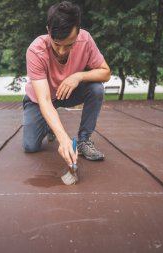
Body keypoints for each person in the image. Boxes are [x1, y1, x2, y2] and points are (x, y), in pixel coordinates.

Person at [22, 1, 111, 169]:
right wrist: (63, 139)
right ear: (48, 30)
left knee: (96, 88)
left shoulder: (85, 40)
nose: (62, 51)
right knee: (30, 146)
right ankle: (50, 125)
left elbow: (106, 72)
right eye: (57, 44)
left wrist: (78, 76)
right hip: (43, 98)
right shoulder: (35, 51)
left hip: (67, 92)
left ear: (78, 31)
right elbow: (45, 100)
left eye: (69, 45)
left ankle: (84, 140)